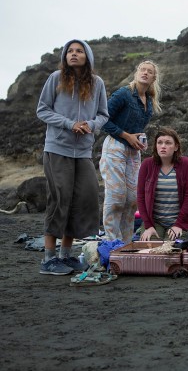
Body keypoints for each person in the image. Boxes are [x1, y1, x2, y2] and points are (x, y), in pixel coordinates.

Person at [36, 39, 109, 275]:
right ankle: (49, 259)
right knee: (59, 200)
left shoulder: (97, 83)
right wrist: (69, 124)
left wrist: (90, 125)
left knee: (83, 199)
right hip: (57, 148)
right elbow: (42, 110)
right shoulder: (56, 78)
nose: (74, 54)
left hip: (84, 151)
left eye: (79, 51)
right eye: (70, 51)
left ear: (87, 56)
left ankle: (66, 256)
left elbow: (103, 115)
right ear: (65, 56)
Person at [100, 61, 162, 244]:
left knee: (132, 199)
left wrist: (140, 139)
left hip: (133, 151)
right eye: (142, 69)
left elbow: (137, 128)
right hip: (115, 147)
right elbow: (103, 119)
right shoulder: (123, 94)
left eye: (149, 71)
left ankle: (126, 243)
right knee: (116, 196)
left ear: (154, 78)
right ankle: (112, 242)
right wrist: (127, 136)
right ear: (136, 73)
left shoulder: (148, 101)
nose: (145, 73)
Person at [137, 127, 188, 241]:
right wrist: (148, 226)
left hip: (179, 222)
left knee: (171, 248)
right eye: (159, 142)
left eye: (168, 143)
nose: (163, 146)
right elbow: (140, 197)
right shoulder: (147, 164)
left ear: (176, 147)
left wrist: (179, 225)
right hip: (154, 222)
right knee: (151, 247)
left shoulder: (187, 164)